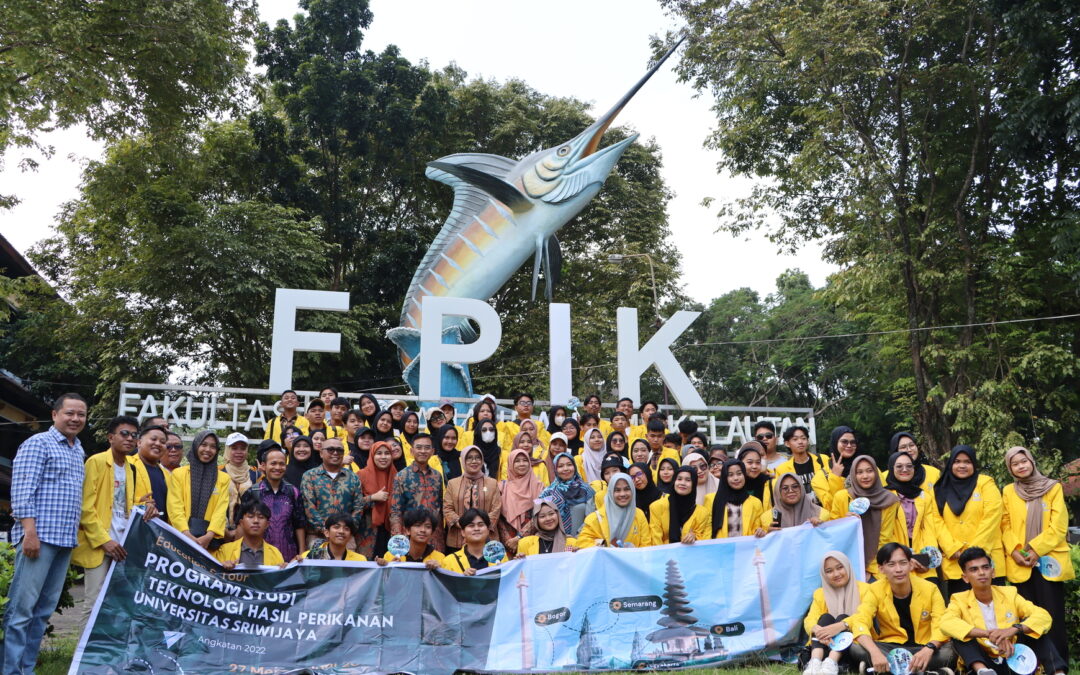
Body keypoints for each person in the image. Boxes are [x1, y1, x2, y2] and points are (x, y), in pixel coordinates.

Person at [3, 393, 89, 674]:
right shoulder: (38, 444)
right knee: (21, 612)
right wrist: (29, 533)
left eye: (81, 414)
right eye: (70, 413)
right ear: (55, 415)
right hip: (38, 539)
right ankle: (11, 670)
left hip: (64, 541)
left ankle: (26, 668)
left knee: (41, 613)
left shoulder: (78, 449)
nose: (75, 419)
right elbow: (22, 492)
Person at [74, 415, 158, 623]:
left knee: (119, 602)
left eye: (133, 435)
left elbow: (127, 504)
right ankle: (84, 655)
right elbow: (85, 507)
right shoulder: (96, 462)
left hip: (124, 543)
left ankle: (109, 653)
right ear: (110, 437)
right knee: (94, 603)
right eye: (124, 433)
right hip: (100, 544)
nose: (129, 438)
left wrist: (147, 507)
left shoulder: (132, 467)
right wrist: (105, 541)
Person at [1000, 446, 1072, 667]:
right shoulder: (1008, 491)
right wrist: (1015, 551)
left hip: (1048, 562)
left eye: (1024, 461)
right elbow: (1004, 524)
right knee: (1025, 617)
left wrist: (1034, 550)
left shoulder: (1052, 488)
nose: (1021, 466)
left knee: (1052, 615)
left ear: (1031, 462)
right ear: (1010, 468)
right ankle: (1031, 666)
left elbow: (1058, 527)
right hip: (1019, 562)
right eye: (1015, 464)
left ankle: (1058, 664)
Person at [942, 547, 1065, 675]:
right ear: (965, 577)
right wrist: (987, 634)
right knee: (960, 636)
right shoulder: (959, 599)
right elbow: (946, 622)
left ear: (993, 572)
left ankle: (1058, 672)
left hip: (1013, 655)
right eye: (974, 569)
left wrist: (1012, 630)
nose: (981, 573)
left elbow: (1043, 616)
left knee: (1035, 629)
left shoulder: (1009, 593)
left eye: (985, 567)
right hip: (985, 659)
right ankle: (982, 670)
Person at [849, 543, 955, 674]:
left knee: (951, 649)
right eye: (891, 564)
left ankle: (888, 668)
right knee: (856, 647)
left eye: (903, 563)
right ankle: (924, 671)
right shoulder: (874, 590)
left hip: (923, 647)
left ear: (911, 565)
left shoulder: (930, 588)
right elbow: (860, 621)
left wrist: (929, 648)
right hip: (890, 646)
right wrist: (875, 653)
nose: (898, 569)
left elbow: (941, 624)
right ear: (881, 569)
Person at [935, 445, 1004, 595]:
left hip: (987, 559)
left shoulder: (985, 483)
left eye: (967, 462)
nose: (962, 466)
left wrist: (974, 553)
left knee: (996, 611)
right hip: (956, 561)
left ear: (974, 464)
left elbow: (992, 517)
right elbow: (936, 520)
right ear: (951, 464)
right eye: (957, 461)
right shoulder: (941, 488)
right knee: (964, 611)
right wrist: (952, 548)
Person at [831, 455, 903, 580]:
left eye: (869, 471)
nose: (865, 476)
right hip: (847, 565)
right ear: (853, 474)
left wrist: (869, 569)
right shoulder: (842, 497)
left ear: (876, 472)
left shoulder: (889, 500)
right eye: (859, 472)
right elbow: (834, 534)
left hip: (877, 566)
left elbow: (884, 538)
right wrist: (845, 522)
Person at [802, 551, 870, 675]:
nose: (836, 574)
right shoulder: (820, 594)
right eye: (829, 571)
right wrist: (816, 629)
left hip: (852, 644)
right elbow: (810, 619)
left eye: (840, 567)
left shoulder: (866, 590)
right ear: (824, 575)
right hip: (824, 644)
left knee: (843, 617)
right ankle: (815, 662)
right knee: (826, 618)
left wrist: (842, 625)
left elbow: (865, 615)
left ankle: (831, 663)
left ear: (847, 567)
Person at [167, 430, 231, 550]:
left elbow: (221, 510)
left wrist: (209, 535)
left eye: (213, 447)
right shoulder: (178, 474)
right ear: (196, 446)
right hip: (180, 538)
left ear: (217, 451)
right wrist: (185, 533)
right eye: (204, 444)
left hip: (208, 542)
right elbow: (174, 507)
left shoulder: (224, 478)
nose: (208, 449)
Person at [884, 451, 941, 578]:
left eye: (909, 466)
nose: (905, 469)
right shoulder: (884, 497)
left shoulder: (925, 497)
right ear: (891, 468)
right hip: (895, 561)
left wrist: (927, 558)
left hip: (922, 561)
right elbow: (885, 533)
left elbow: (929, 530)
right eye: (899, 466)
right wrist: (904, 557)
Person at [249, 442, 306, 562]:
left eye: (282, 464)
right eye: (273, 463)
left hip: (289, 556)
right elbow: (243, 525)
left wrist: (301, 552)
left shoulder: (293, 492)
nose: (278, 467)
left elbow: (299, 524)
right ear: (264, 466)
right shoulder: (253, 492)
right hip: (259, 555)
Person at [300, 437, 365, 542]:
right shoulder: (309, 476)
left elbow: (358, 507)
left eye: (340, 450)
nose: (335, 453)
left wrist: (345, 530)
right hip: (317, 537)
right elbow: (309, 507)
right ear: (321, 453)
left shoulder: (353, 477)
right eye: (330, 449)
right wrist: (326, 531)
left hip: (345, 538)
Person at [389, 433, 444, 551]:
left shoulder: (437, 476)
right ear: (411, 451)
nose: (423, 451)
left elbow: (440, 508)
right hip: (410, 536)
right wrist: (399, 538)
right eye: (419, 447)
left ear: (432, 451)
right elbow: (395, 510)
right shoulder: (401, 476)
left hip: (434, 536)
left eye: (427, 447)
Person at [444, 446, 501, 551]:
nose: (474, 461)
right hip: (457, 539)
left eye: (477, 458)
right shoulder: (453, 483)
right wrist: (464, 526)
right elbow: (447, 508)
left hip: (486, 539)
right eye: (469, 458)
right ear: (463, 460)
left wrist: (480, 527)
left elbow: (496, 509)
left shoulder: (492, 483)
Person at [577, 473, 652, 548]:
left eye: (626, 489)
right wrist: (604, 546)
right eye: (617, 490)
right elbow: (582, 542)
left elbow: (646, 545)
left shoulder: (638, 515)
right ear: (610, 492)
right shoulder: (596, 518)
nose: (622, 494)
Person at [213, 495, 285, 568]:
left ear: (267, 524)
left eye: (261, 517)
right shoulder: (225, 550)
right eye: (250, 516)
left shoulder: (275, 553)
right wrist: (222, 567)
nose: (256, 521)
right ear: (241, 523)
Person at [703, 459, 765, 539]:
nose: (736, 478)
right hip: (720, 549)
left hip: (745, 549)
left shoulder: (756, 502)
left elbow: (757, 528)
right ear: (725, 478)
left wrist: (759, 531)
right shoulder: (711, 500)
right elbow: (706, 530)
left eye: (739, 474)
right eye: (730, 475)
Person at [773, 425, 832, 509]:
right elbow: (781, 497)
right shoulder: (782, 469)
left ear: (808, 441)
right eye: (795, 439)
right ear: (787, 443)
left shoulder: (823, 460)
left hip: (825, 510)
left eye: (803, 438)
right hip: (800, 513)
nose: (800, 442)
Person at [498, 447, 543, 554]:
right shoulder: (501, 487)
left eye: (525, 460)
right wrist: (508, 541)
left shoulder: (539, 487)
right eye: (517, 461)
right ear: (510, 464)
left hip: (531, 542)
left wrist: (519, 538)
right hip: (507, 543)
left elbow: (539, 514)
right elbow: (499, 518)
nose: (522, 464)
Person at [539, 452, 595, 536]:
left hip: (582, 539)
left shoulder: (587, 490)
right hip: (555, 540)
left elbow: (591, 518)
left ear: (575, 467)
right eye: (560, 466)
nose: (565, 469)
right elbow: (539, 516)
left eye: (569, 464)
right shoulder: (547, 492)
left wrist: (577, 537)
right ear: (555, 469)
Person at [649, 466, 707, 545]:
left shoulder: (702, 513)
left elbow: (705, 540)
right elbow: (656, 539)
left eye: (688, 480)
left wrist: (694, 537)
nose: (682, 483)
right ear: (674, 481)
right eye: (679, 479)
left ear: (694, 485)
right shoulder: (657, 507)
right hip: (664, 554)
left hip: (690, 554)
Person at [441, 509, 508, 574]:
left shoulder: (499, 557)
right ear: (463, 532)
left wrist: (518, 560)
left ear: (488, 530)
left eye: (481, 525)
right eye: (471, 526)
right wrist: (462, 579)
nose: (476, 529)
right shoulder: (450, 561)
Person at [378, 507, 444, 567]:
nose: (423, 530)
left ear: (432, 532)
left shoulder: (440, 558)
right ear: (407, 530)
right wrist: (389, 568)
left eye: (428, 527)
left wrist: (439, 570)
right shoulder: (391, 555)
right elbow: (384, 579)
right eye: (418, 525)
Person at [220, 432, 256, 541]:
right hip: (221, 530)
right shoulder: (218, 473)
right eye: (234, 448)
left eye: (243, 448)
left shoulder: (256, 474)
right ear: (227, 450)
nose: (239, 452)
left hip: (249, 531)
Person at [301, 512, 368, 562]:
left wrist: (378, 565)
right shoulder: (308, 557)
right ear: (327, 533)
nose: (341, 531)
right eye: (336, 527)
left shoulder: (360, 560)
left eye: (346, 528)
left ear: (350, 536)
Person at [736, 442, 772, 508]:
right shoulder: (734, 483)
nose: (754, 466)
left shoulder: (769, 483)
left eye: (758, 462)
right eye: (750, 462)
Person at [825, 426, 859, 495]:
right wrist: (835, 477)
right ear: (835, 443)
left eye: (853, 442)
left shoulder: (867, 466)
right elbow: (829, 504)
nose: (849, 445)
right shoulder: (823, 474)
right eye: (844, 442)